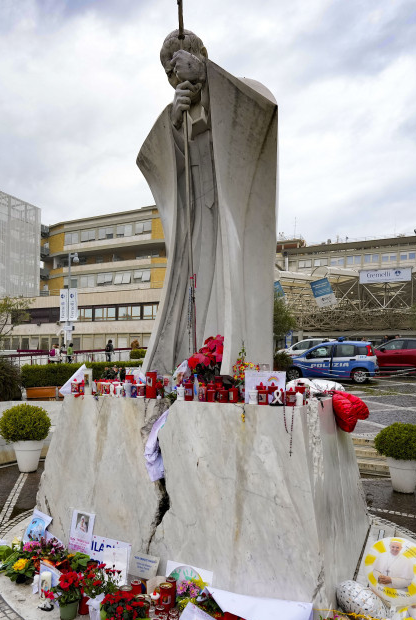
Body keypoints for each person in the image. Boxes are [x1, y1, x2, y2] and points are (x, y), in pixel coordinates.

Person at [139, 29, 278, 377]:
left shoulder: (234, 90)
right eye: (169, 73)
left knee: (227, 289)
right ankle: (195, 366)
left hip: (231, 214)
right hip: (198, 220)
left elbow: (262, 109)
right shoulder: (177, 112)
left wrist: (206, 77)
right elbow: (161, 165)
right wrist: (174, 126)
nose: (176, 77)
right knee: (196, 295)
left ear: (200, 55)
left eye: (180, 66)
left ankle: (230, 366)